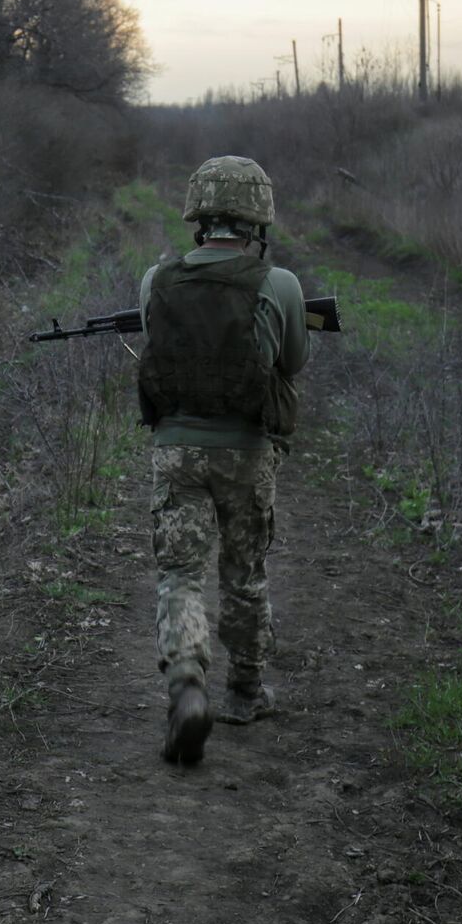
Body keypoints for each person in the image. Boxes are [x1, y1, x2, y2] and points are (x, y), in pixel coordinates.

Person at [137, 156, 310, 765]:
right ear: (257, 219)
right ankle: (244, 690)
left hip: (176, 449)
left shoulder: (156, 279)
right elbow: (292, 364)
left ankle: (187, 683)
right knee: (244, 569)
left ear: (198, 216)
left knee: (180, 573)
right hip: (246, 450)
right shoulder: (279, 283)